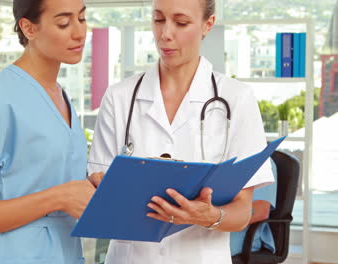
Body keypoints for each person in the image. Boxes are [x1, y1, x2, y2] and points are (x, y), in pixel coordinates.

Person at [87, 0, 274, 263]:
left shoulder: (237, 99)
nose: (166, 34)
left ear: (207, 24)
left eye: (181, 22)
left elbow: (243, 212)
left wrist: (209, 216)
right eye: (158, 19)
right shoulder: (120, 97)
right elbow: (98, 189)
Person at [0, 0, 99, 263]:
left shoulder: (61, 96)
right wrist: (59, 197)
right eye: (64, 23)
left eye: (82, 19)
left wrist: (87, 188)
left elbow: (38, 179)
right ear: (28, 28)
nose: (79, 32)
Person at [230, 160, 278, 259]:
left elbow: (259, 212)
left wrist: (215, 217)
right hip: (211, 226)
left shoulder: (262, 163)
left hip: (239, 236)